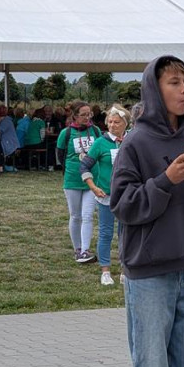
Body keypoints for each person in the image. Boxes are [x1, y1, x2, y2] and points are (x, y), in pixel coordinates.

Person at [110, 55, 184, 367]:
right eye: (175, 83)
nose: (183, 91)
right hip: (149, 270)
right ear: (153, 90)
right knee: (153, 362)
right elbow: (122, 205)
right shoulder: (136, 143)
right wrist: (166, 181)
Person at [80, 104, 130, 285]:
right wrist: (92, 186)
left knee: (126, 233)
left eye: (117, 122)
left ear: (125, 124)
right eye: (110, 122)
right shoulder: (100, 143)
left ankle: (125, 270)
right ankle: (105, 271)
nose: (112, 125)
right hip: (105, 195)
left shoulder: (130, 140)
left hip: (127, 195)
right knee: (106, 233)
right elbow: (84, 165)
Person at [56, 101, 101, 263]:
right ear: (74, 116)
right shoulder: (66, 133)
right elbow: (60, 155)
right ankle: (77, 248)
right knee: (75, 216)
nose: (87, 117)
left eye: (89, 114)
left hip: (92, 179)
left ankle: (85, 250)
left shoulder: (95, 131)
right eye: (83, 114)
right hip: (73, 179)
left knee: (88, 215)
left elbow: (100, 151)